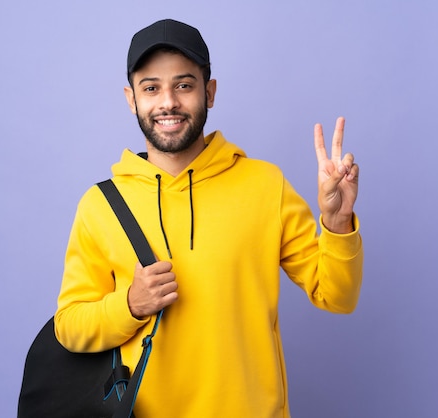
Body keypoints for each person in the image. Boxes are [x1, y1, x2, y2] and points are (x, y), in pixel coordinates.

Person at [54, 18, 363, 418]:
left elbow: (337, 297)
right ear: (132, 99)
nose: (168, 102)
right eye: (151, 88)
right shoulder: (100, 205)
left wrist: (337, 223)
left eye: (184, 85)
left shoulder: (265, 185)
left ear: (209, 92)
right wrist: (129, 304)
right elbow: (70, 326)